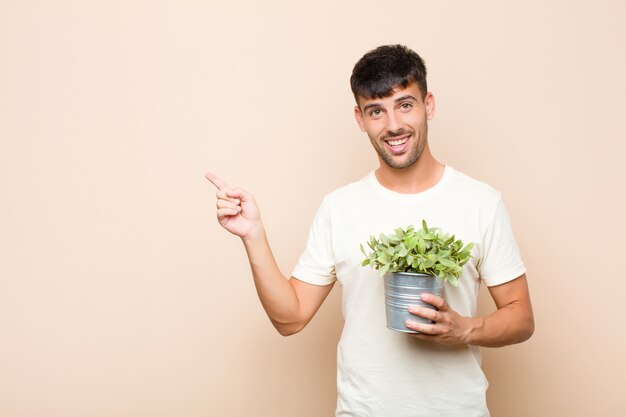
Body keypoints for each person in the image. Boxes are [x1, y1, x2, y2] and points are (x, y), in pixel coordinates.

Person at [206, 44, 534, 417]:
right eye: (376, 111)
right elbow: (290, 317)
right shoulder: (339, 207)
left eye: (405, 104)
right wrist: (254, 236)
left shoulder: (481, 202)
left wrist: (464, 329)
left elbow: (520, 317)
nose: (393, 125)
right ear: (360, 118)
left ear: (429, 104)